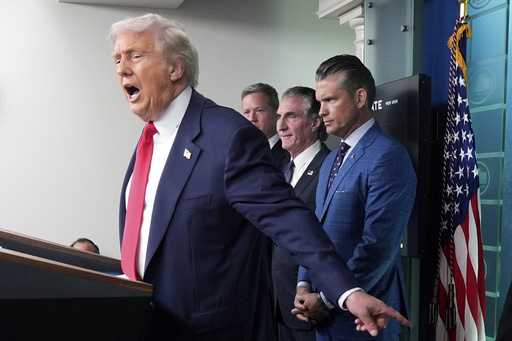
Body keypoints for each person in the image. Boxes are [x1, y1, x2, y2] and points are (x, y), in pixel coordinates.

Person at [110, 14, 411, 340]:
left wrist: (346, 291)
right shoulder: (148, 142)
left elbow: (290, 219)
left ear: (175, 68)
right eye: (117, 59)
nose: (121, 68)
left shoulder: (227, 136)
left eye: (135, 56)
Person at [293, 55, 417, 341]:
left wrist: (326, 299)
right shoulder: (331, 159)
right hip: (324, 318)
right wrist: (303, 284)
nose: (320, 111)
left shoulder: (388, 156)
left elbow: (377, 246)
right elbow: (316, 232)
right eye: (319, 101)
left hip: (368, 321)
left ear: (360, 97)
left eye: (330, 100)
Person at [272, 86, 330, 341]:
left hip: (310, 307)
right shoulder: (282, 168)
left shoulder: (330, 168)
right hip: (277, 303)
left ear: (315, 122)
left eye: (291, 117)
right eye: (279, 117)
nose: (280, 126)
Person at [242, 83, 290, 170]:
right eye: (247, 112)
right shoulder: (238, 154)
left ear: (276, 114)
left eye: (259, 111)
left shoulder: (290, 154)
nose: (252, 118)